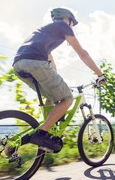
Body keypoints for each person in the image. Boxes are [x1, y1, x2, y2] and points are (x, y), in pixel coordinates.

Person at [13, 8, 105, 152]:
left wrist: (55, 78)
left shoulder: (46, 31)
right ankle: (42, 134)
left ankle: (46, 129)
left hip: (18, 64)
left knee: (51, 96)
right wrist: (100, 74)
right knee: (67, 98)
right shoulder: (63, 26)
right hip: (35, 62)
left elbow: (50, 59)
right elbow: (82, 53)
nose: (72, 28)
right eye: (73, 24)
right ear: (68, 19)